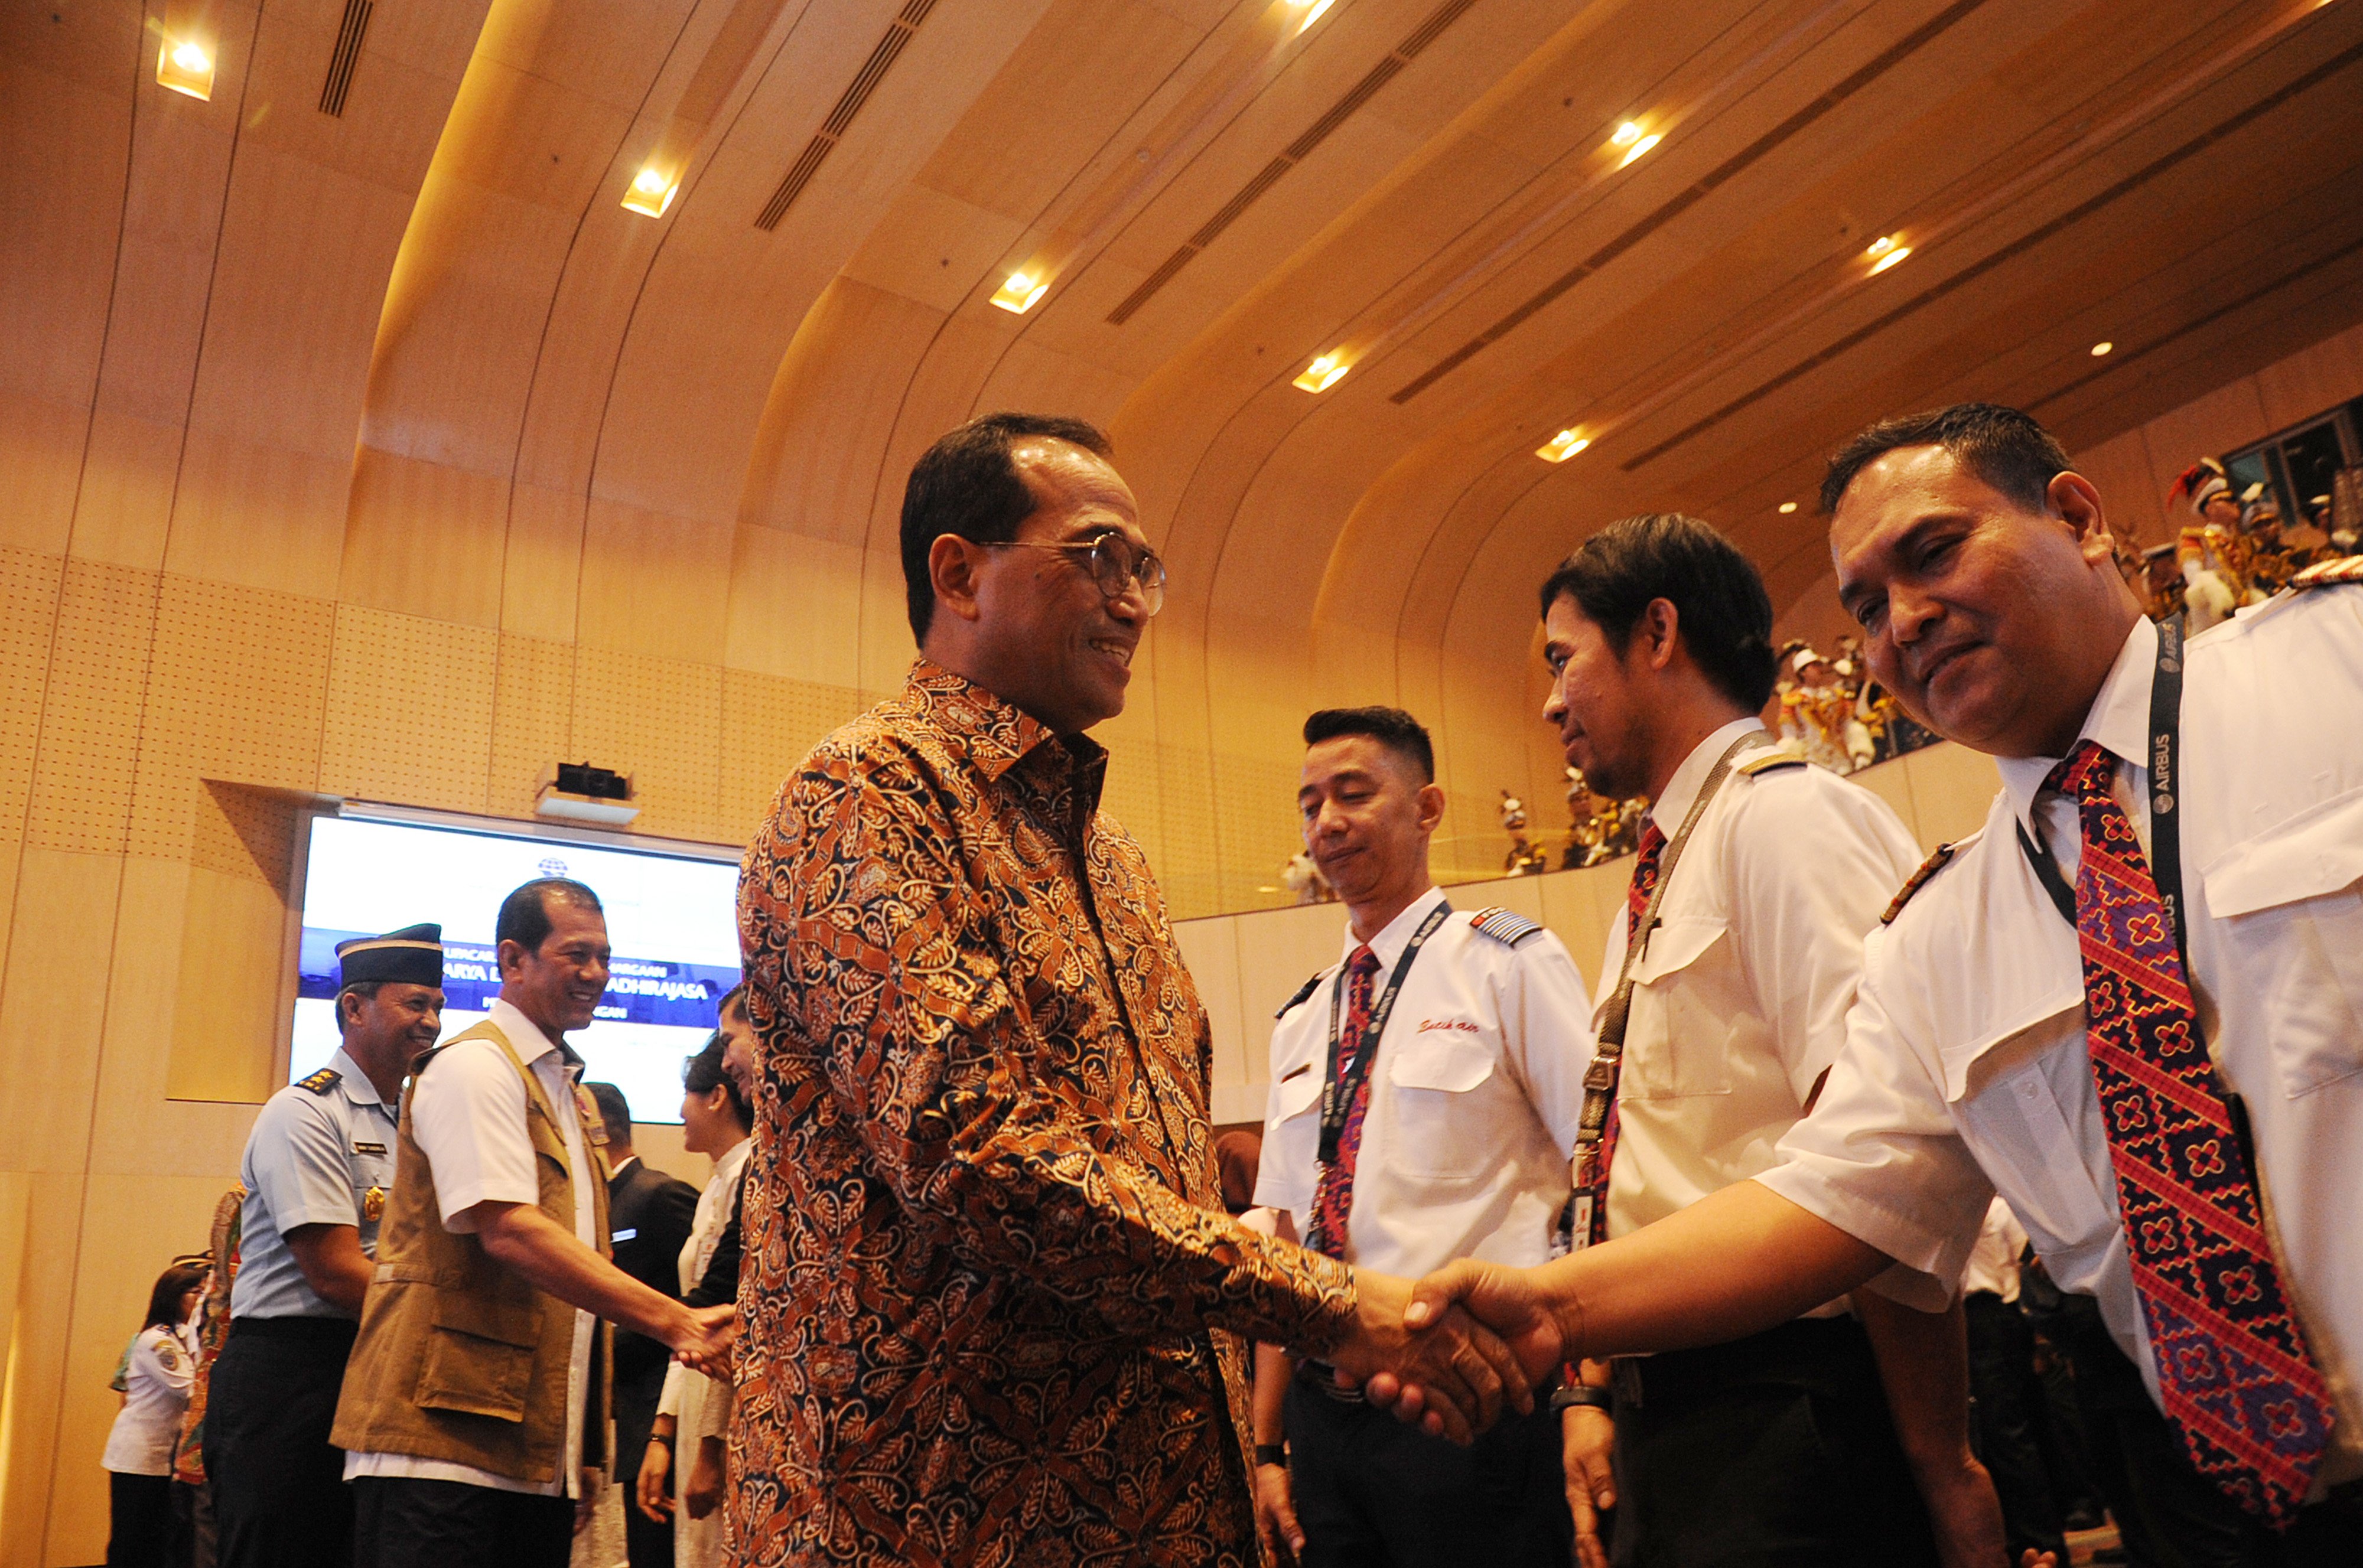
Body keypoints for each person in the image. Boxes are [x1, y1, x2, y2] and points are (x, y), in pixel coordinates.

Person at [1372, 403, 2363, 1566]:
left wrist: (1939, 1465)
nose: (1898, 619)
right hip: (2212, 1501)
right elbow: (1837, 1197)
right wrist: (1549, 1307)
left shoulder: (2331, 666)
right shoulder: (1942, 933)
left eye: (1932, 551)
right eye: (1859, 603)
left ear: (2078, 518)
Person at [728, 412, 1528, 1566]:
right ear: (959, 571)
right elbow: (983, 1159)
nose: (1136, 599)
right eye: (1098, 556)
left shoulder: (1119, 869)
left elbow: (1168, 1187)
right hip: (928, 1517)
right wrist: (1330, 1305)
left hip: (1149, 1510)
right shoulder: (864, 796)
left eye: (1145, 567)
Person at [1539, 513, 1996, 1568]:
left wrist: (1943, 1464)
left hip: (1793, 1404)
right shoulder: (1667, 866)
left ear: (1658, 633)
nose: (1553, 700)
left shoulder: (1787, 823)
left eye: (1566, 659)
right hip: (1691, 1411)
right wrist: (1598, 1391)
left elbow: (1885, 1171)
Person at [1252, 706, 1593, 1566]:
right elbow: (1284, 1238)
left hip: (1469, 1400)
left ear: (1427, 806)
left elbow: (1599, 1175)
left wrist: (1589, 1393)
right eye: (1309, 803)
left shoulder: (1507, 963)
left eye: (1354, 794)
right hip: (1325, 1421)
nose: (1326, 821)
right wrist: (1268, 1445)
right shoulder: (1302, 1016)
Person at [331, 879, 735, 1568]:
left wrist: (576, 1450)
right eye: (575, 954)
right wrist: (677, 1321)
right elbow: (509, 1230)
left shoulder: (566, 1092)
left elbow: (571, 1287)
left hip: (526, 1452)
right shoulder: (476, 1067)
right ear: (512, 960)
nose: (596, 975)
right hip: (442, 1447)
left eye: (605, 956)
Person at [208, 924, 443, 1568]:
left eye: (438, 1008)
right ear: (353, 1007)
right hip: (290, 1377)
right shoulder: (305, 1112)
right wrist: (452, 1323)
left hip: (374, 1363)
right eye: (415, 1004)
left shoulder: (419, 1120)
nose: (431, 1022)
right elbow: (336, 1273)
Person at [634, 1036, 754, 1567]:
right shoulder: (715, 1186)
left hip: (722, 1407)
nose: (678, 1110)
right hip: (696, 1387)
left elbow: (729, 1311)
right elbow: (693, 1316)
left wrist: (713, 1445)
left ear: (717, 1097)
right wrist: (664, 1427)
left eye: (685, 1093)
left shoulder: (752, 1174)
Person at [587, 1081, 698, 1568]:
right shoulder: (601, 1201)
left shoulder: (658, 1193)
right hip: (629, 1419)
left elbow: (700, 1299)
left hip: (664, 1413)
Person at [1961, 1199, 2070, 1563]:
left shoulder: (1996, 1207)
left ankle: (2043, 1544)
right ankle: (2019, 1541)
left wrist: (2030, 1332)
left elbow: (2017, 1269)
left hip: (1993, 1316)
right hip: (1965, 1320)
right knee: (1987, 1438)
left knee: (2009, 1434)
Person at [104, 1261, 206, 1568]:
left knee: (157, 1543)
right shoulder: (157, 1341)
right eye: (196, 1293)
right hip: (139, 1457)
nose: (203, 1301)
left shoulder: (180, 1337)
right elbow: (191, 1390)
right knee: (132, 1541)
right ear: (174, 1296)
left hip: (162, 1456)